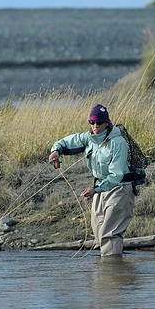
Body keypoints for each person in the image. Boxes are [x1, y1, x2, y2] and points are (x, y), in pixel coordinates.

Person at [48, 104, 135, 257]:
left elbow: (117, 175)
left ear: (106, 123)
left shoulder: (118, 143)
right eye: (92, 122)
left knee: (110, 234)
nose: (95, 126)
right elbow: (66, 142)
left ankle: (113, 275)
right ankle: (105, 274)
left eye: (99, 123)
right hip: (100, 188)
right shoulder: (88, 138)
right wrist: (56, 151)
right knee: (99, 233)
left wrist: (96, 189)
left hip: (119, 188)